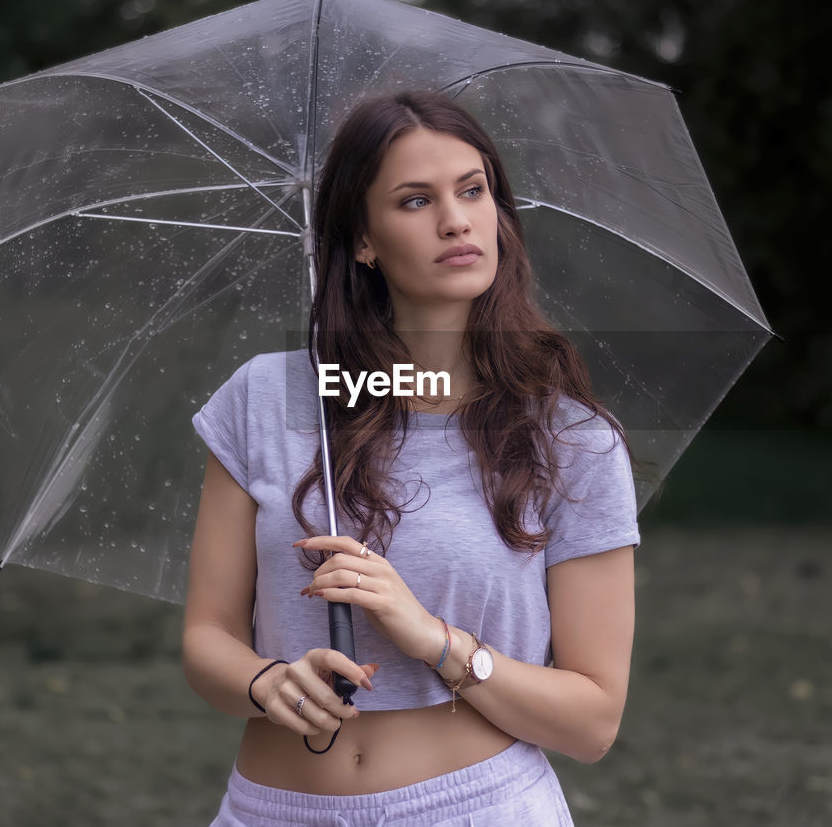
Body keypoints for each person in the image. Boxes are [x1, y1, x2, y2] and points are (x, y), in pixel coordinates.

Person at [184, 90, 639, 826]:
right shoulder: (269, 399)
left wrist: (432, 638)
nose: (456, 220)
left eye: (472, 190)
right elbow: (207, 640)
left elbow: (592, 721)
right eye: (414, 201)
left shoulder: (570, 439)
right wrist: (265, 680)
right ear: (362, 240)